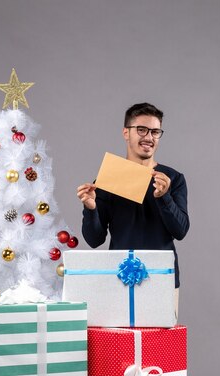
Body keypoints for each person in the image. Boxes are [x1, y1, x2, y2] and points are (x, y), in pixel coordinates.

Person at [77, 102, 189, 316]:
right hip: (120, 275)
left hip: (162, 277)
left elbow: (181, 231)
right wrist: (90, 208)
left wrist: (164, 198)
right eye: (141, 130)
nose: (149, 137)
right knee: (122, 344)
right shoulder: (109, 179)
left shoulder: (173, 178)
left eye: (155, 131)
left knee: (160, 347)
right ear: (126, 133)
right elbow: (94, 240)